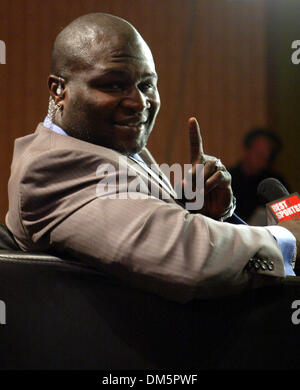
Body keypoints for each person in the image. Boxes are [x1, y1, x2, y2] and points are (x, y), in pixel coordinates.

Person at [5, 13, 299, 303]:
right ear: (59, 90)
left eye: (146, 85)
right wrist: (285, 237)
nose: (139, 102)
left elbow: (143, 241)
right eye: (113, 85)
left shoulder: (110, 147)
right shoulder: (52, 168)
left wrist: (200, 211)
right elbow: (188, 259)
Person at [229, 128, 289, 224]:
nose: (262, 160)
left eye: (266, 157)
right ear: (246, 150)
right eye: (258, 154)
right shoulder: (226, 178)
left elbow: (291, 216)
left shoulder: (275, 181)